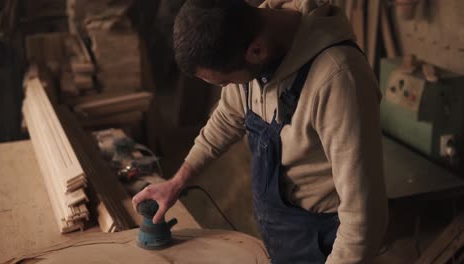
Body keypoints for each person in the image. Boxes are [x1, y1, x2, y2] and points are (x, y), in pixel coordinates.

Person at [132, 0, 388, 263]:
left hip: (325, 242)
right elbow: (228, 117)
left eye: (226, 81)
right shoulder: (246, 35)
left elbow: (363, 217)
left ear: (256, 51)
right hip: (280, 230)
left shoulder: (338, 78)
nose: (228, 87)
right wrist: (177, 182)